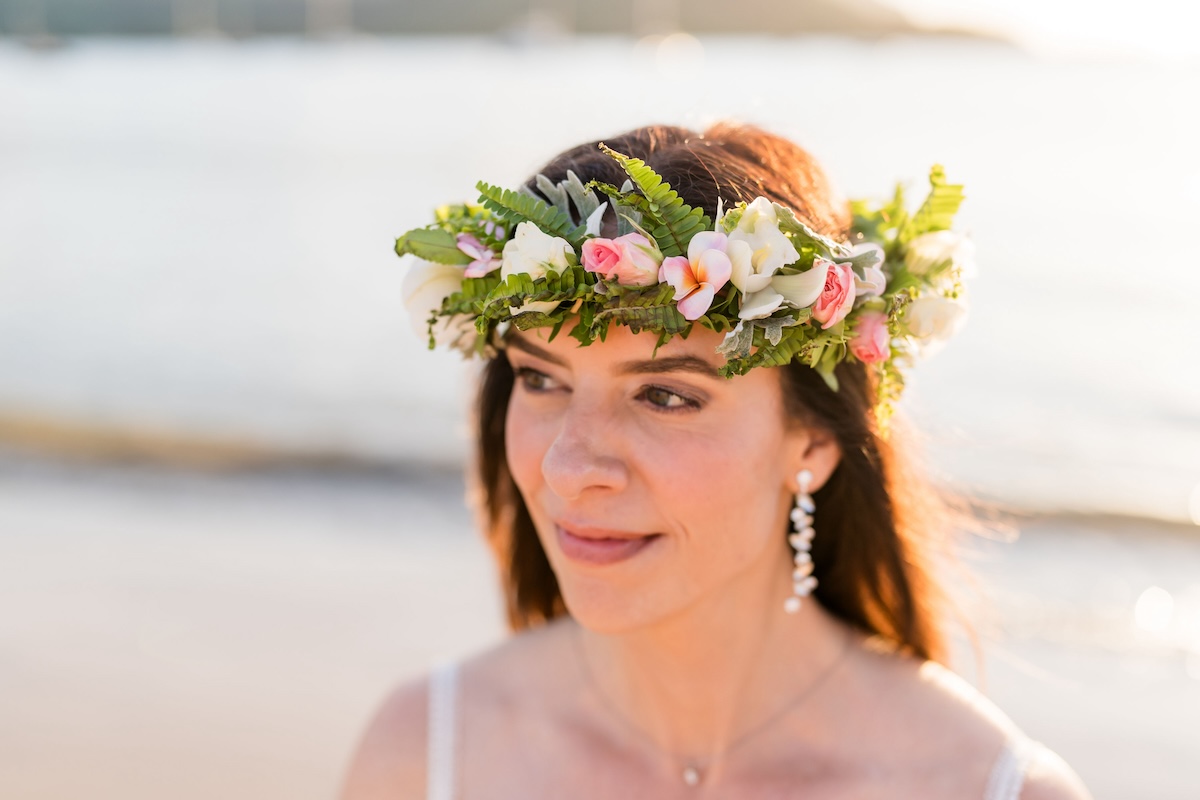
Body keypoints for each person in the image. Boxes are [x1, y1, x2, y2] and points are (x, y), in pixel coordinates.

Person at [340, 124, 1092, 799]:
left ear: (813, 442)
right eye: (541, 380)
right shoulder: (423, 755)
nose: (568, 468)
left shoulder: (990, 788)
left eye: (665, 396)